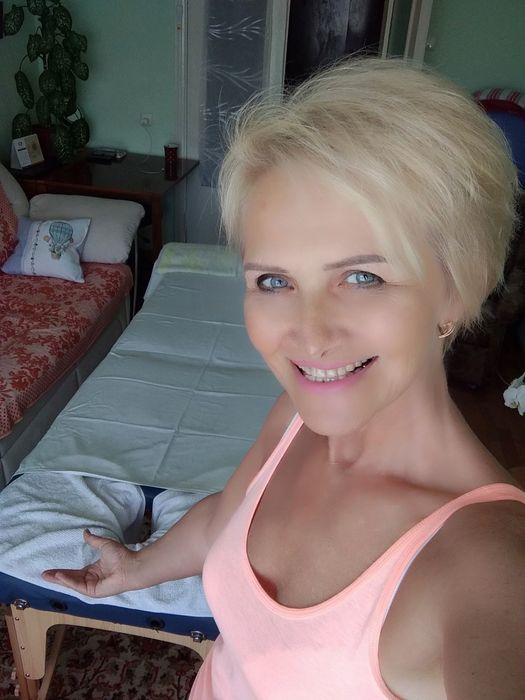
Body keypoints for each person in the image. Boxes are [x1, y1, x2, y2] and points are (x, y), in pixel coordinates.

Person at [43, 58, 525, 699]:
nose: (310, 334)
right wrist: (136, 568)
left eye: (362, 277)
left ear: (455, 294)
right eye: (274, 281)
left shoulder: (485, 564)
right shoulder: (296, 417)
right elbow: (228, 517)